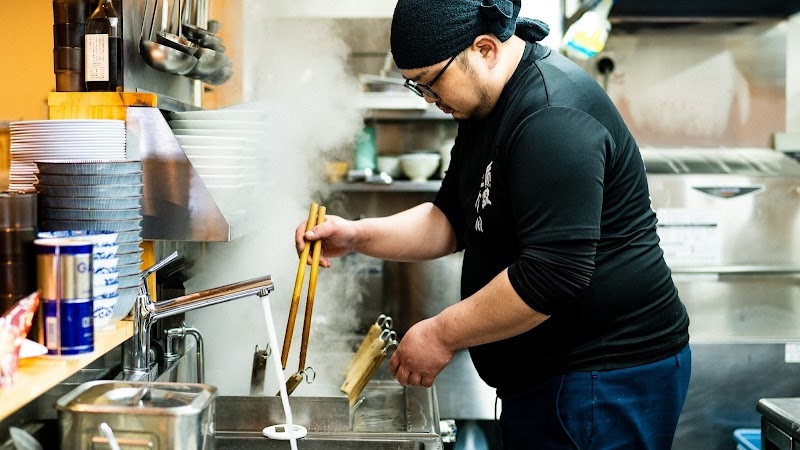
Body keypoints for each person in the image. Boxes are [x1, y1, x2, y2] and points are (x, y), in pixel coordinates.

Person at [295, 0, 691, 448]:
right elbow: (450, 219)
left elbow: (553, 275)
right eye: (415, 87)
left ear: (484, 49)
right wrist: (357, 235)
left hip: (605, 378)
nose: (429, 99)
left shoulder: (551, 115)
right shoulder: (483, 105)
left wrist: (440, 333)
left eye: (429, 84)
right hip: (550, 374)